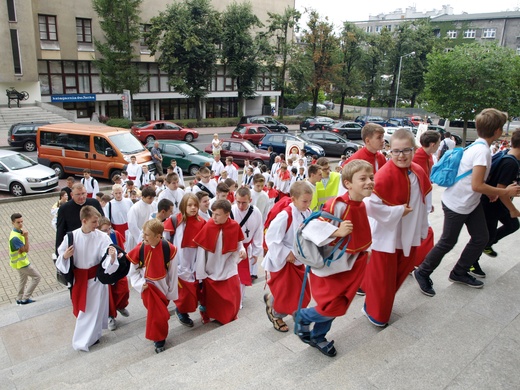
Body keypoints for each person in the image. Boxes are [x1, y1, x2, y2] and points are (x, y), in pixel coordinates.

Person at [414, 108, 520, 296]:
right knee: (448, 242)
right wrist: (504, 191)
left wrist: (490, 192)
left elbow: (478, 182)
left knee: (481, 237)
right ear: (497, 131)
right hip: (458, 204)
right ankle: (422, 271)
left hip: (469, 203)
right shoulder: (481, 151)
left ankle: (459, 271)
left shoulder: (479, 146)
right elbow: (477, 185)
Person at [294, 160, 373, 357]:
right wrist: (336, 231)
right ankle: (303, 316)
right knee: (332, 307)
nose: (370, 182)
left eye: (371, 178)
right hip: (333, 269)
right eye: (363, 178)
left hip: (351, 266)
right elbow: (310, 229)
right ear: (348, 183)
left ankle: (318, 336)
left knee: (339, 306)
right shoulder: (337, 205)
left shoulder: (360, 204)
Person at [363, 129, 432, 327]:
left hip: (408, 236)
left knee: (399, 274)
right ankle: (376, 313)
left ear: (414, 149)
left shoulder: (418, 170)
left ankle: (378, 303)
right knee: (384, 280)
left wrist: (422, 224)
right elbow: (370, 206)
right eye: (396, 151)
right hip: (387, 237)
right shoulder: (384, 175)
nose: (401, 155)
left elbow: (425, 197)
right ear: (389, 151)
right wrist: (397, 211)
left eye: (406, 150)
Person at [56, 206, 118, 351]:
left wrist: (112, 256)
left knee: (96, 310)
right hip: (80, 279)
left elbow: (107, 255)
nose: (97, 225)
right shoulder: (71, 236)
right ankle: (80, 342)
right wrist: (65, 256)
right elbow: (61, 256)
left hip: (96, 280)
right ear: (84, 221)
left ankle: (94, 336)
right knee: (86, 311)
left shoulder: (101, 237)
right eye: (94, 222)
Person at [262, 181, 313, 333]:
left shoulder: (307, 211)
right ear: (293, 199)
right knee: (286, 293)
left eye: (309, 201)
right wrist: (286, 253)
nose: (307, 204)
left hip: (298, 259)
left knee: (300, 291)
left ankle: (273, 299)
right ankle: (275, 314)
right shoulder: (285, 216)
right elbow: (270, 239)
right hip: (284, 261)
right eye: (304, 201)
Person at [471, 129, 520, 276]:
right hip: (491, 205)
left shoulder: (508, 156)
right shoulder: (510, 164)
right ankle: (471, 263)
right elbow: (501, 190)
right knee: (485, 236)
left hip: (497, 204)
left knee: (512, 225)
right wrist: (512, 209)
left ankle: (487, 245)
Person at [127, 219, 178, 354]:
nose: (143, 236)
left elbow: (173, 273)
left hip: (163, 288)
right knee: (157, 314)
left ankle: (158, 337)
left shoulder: (169, 248)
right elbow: (133, 271)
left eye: (147, 234)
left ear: (158, 236)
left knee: (159, 314)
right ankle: (159, 339)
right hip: (148, 288)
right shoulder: (141, 248)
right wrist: (139, 284)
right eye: (143, 233)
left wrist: (171, 293)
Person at [193, 200, 246, 324]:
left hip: (229, 267)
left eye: (217, 214)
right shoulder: (208, 226)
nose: (213, 217)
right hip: (212, 269)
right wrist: (201, 274)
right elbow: (201, 253)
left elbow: (239, 244)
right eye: (213, 214)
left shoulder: (234, 225)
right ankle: (217, 317)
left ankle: (229, 317)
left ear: (227, 214)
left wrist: (242, 250)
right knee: (214, 300)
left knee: (233, 294)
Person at [164, 194, 206, 327]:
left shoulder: (202, 222)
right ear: (183, 206)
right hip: (178, 261)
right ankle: (181, 311)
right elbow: (165, 240)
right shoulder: (175, 220)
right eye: (189, 205)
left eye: (195, 205)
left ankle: (184, 310)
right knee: (184, 292)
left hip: (195, 261)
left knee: (194, 290)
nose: (193, 208)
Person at [412, 130, 441, 267]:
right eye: (438, 143)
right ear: (433, 144)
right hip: (416, 202)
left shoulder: (427, 156)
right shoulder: (417, 157)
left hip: (422, 200)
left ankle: (417, 261)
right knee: (426, 232)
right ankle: (418, 262)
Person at [231, 188, 263, 308]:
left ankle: (239, 300)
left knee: (242, 275)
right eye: (238, 202)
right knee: (232, 275)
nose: (240, 205)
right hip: (232, 248)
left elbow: (259, 232)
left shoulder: (256, 212)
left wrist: (255, 252)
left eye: (244, 202)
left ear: (250, 200)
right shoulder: (230, 210)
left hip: (247, 247)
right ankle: (232, 298)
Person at [98, 217, 130, 331]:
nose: (108, 232)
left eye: (109, 229)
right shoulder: (97, 241)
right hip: (106, 272)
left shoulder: (115, 234)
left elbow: (122, 248)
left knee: (123, 289)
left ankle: (121, 305)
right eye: (104, 230)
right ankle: (110, 316)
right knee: (109, 296)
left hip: (118, 269)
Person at [55, 183, 104, 255]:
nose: (81, 197)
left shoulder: (94, 203)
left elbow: (102, 221)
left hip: (94, 241)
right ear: (71, 195)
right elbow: (60, 231)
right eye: (78, 194)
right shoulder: (64, 209)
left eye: (83, 193)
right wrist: (59, 252)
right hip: (76, 244)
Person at [9, 213, 42, 305]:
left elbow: (22, 250)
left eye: (21, 222)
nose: (21, 224)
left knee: (22, 280)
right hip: (22, 263)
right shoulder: (15, 237)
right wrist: (26, 237)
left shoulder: (17, 232)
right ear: (13, 223)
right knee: (37, 277)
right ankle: (25, 298)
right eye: (18, 222)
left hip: (18, 263)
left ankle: (19, 298)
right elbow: (26, 250)